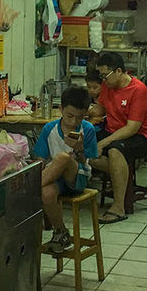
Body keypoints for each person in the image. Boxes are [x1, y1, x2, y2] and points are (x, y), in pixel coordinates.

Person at [89, 52, 147, 224]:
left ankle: (118, 207)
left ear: (118, 71)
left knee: (114, 150)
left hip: (141, 136)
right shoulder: (108, 86)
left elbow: (132, 128)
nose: (103, 80)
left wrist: (104, 142)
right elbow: (101, 109)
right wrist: (82, 111)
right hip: (114, 131)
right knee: (85, 147)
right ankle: (121, 174)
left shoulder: (138, 90)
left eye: (105, 75)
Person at [32, 87, 98, 253]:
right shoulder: (50, 129)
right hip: (55, 178)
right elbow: (40, 160)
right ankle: (61, 232)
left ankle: (29, 192)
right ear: (60, 109)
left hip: (78, 177)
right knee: (46, 194)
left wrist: (79, 149)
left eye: (80, 117)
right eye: (70, 116)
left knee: (63, 157)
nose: (74, 121)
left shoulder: (88, 129)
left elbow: (90, 161)